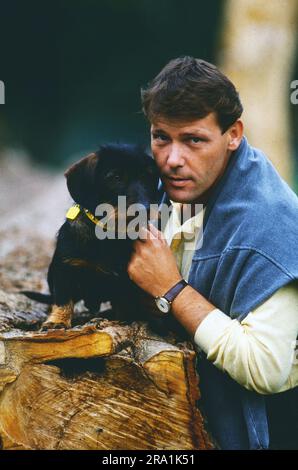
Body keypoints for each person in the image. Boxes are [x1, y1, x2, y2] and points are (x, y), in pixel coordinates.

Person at [127, 56, 298, 450]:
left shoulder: (268, 224)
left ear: (233, 134)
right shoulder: (167, 186)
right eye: (161, 137)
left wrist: (171, 289)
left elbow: (267, 369)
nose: (172, 159)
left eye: (194, 140)